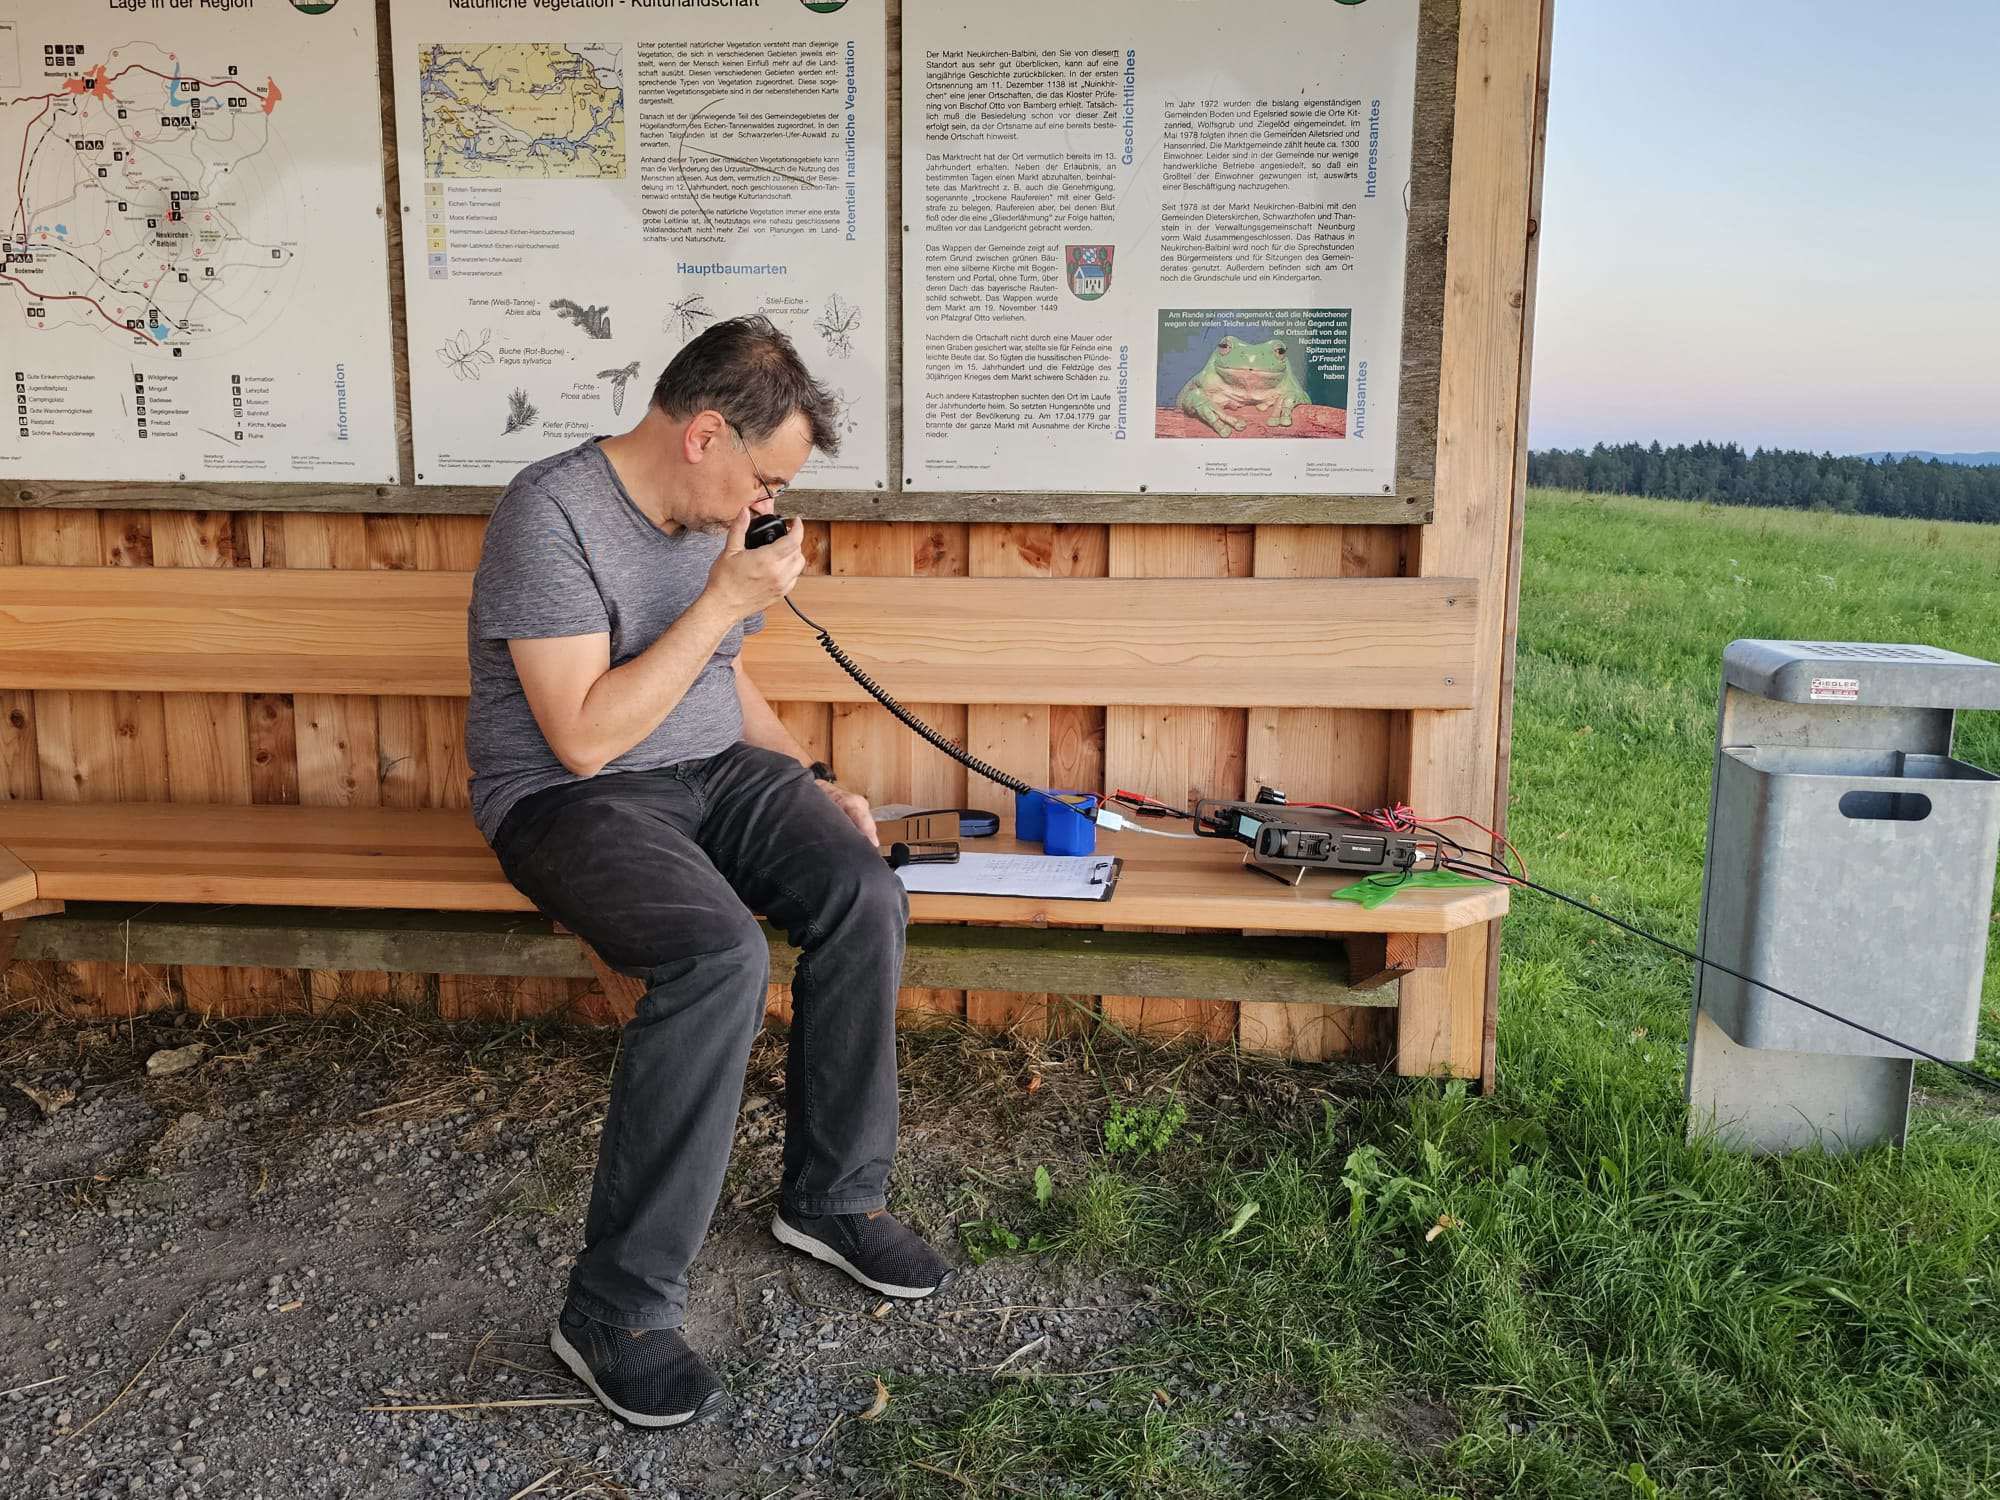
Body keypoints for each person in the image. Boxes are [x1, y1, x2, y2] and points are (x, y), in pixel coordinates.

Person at [465, 315, 952, 1429]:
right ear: (703, 437)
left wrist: (809, 778)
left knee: (863, 891)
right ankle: (615, 1312)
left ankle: (832, 1199)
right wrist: (726, 595)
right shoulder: (548, 516)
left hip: (713, 771)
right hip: (569, 799)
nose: (764, 505)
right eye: (765, 478)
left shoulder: (705, 515)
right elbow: (583, 736)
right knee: (716, 956)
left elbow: (718, 678)